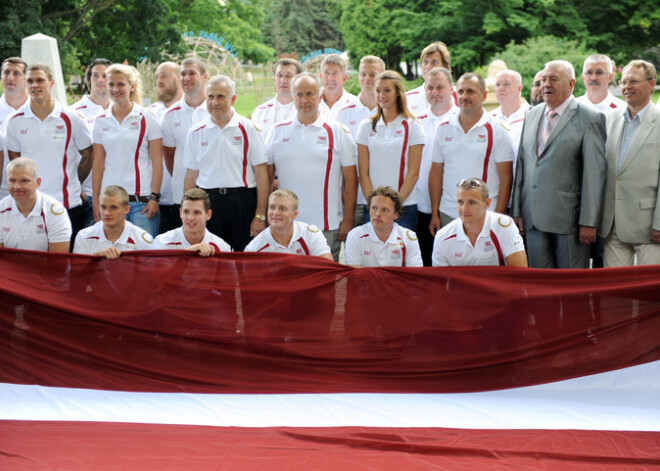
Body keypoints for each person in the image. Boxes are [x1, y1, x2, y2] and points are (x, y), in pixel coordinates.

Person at [511, 60, 606, 269]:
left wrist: (589, 222)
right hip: (532, 218)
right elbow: (522, 165)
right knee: (541, 285)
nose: (546, 84)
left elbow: (594, 176)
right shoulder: (532, 114)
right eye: (543, 79)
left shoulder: (590, 118)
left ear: (571, 84)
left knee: (571, 287)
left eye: (554, 79)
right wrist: (517, 209)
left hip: (569, 222)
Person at [265, 72, 357, 261]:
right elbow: (266, 178)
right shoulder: (277, 131)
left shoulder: (337, 131)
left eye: (309, 94)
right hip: (286, 224)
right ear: (292, 97)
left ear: (320, 96)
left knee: (325, 283)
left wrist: (348, 219)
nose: (304, 99)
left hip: (326, 225)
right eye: (298, 94)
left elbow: (351, 180)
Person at [6, 63, 92, 242]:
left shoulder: (71, 117)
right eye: (30, 81)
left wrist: (75, 182)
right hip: (31, 206)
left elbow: (88, 153)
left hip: (67, 204)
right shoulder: (14, 121)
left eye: (40, 80)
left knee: (66, 265)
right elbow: (15, 160)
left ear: (51, 83)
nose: (35, 85)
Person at [183, 75, 268, 251]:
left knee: (242, 258)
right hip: (209, 203)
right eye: (210, 97)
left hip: (242, 202)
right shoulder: (196, 132)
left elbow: (261, 175)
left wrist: (260, 215)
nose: (215, 102)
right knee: (210, 257)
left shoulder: (248, 129)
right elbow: (191, 175)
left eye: (221, 96)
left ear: (233, 99)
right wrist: (188, 212)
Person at [428, 73, 513, 233]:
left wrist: (498, 217)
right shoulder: (443, 128)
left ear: (484, 95)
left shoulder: (497, 130)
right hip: (448, 213)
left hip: (485, 215)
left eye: (470, 91)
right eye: (460, 92)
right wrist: (435, 213)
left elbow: (506, 179)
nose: (464, 96)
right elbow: (436, 173)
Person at [599, 60, 660, 267]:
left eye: (633, 81)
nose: (626, 87)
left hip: (649, 228)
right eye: (623, 82)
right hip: (612, 225)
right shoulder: (608, 120)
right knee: (614, 293)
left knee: (649, 294)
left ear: (651, 84)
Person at [92, 64, 163, 237]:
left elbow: (157, 161)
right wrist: (95, 200)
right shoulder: (101, 121)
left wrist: (154, 197)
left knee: (144, 259)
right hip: (110, 202)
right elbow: (98, 163)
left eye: (120, 84)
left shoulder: (147, 119)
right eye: (111, 85)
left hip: (141, 202)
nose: (115, 89)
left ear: (131, 86)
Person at [355, 70, 424, 230]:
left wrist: (394, 207)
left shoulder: (413, 126)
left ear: (398, 93)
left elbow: (413, 173)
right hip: (373, 210)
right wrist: (375, 206)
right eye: (378, 90)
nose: (381, 95)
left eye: (387, 90)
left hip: (404, 208)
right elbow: (363, 173)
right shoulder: (366, 126)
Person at [160, 57, 209, 233]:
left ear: (205, 77)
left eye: (192, 73)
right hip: (182, 194)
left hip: (212, 190)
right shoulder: (170, 116)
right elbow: (169, 157)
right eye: (183, 74)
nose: (186, 78)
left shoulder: (215, 111)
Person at [415, 67, 458, 265]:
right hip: (420, 204)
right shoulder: (416, 121)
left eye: (440, 87)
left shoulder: (460, 120)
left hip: (451, 206)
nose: (434, 92)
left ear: (451, 89)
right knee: (424, 260)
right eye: (430, 87)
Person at [336, 55, 386, 226]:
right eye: (363, 74)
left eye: (373, 74)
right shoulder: (343, 113)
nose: (367, 79)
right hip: (353, 198)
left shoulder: (392, 113)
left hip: (384, 198)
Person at [432, 178, 527, 267]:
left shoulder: (504, 225)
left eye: (472, 202)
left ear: (487, 204)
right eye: (460, 202)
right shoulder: (442, 237)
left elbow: (520, 274)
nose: (464, 209)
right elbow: (439, 281)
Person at [71, 58, 112, 228]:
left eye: (105, 75)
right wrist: (76, 188)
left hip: (117, 195)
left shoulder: (122, 111)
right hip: (86, 196)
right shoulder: (73, 112)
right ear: (89, 80)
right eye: (95, 75)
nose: (100, 80)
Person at [0, 157, 71, 252]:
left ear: (38, 182)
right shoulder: (1, 209)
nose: (17, 187)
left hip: (46, 267)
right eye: (12, 180)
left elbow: (58, 261)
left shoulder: (55, 212)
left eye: (24, 181)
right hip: (10, 267)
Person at [345, 186, 422, 267]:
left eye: (384, 210)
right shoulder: (355, 235)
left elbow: (415, 275)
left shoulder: (409, 237)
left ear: (396, 214)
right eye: (374, 208)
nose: (378, 214)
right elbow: (353, 274)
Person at [245, 189, 332, 259]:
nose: (275, 213)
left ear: (295, 214)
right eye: (272, 207)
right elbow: (249, 279)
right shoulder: (254, 248)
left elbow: (328, 269)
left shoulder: (311, 234)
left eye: (282, 208)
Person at [73, 185, 154, 258]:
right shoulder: (83, 236)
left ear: (126, 209)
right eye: (103, 207)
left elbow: (147, 273)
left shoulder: (143, 239)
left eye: (113, 207)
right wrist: (96, 258)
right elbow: (78, 273)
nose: (107, 213)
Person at [154, 188, 231, 255]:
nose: (190, 218)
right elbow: (157, 271)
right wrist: (189, 252)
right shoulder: (162, 242)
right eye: (186, 212)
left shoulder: (222, 247)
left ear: (208, 214)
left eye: (197, 212)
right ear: (180, 213)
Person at [0, 57, 29, 199]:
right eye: (6, 72)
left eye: (16, 73)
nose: (10, 77)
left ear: (26, 79)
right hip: (2, 192)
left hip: (34, 191)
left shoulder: (39, 110)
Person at [251, 58, 302, 136]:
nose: (283, 80)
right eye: (279, 75)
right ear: (274, 79)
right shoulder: (260, 112)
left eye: (288, 76)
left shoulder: (306, 111)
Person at [490, 69, 530, 162]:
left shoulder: (533, 115)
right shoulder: (489, 118)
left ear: (519, 88)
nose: (501, 88)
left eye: (506, 84)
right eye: (498, 85)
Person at [406, 41, 454, 114]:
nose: (428, 67)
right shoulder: (407, 99)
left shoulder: (460, 96)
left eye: (434, 62)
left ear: (445, 66)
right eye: (425, 62)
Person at [319, 54, 358, 119]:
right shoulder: (311, 102)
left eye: (335, 73)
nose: (330, 78)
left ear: (344, 78)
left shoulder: (355, 105)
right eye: (327, 73)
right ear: (321, 76)